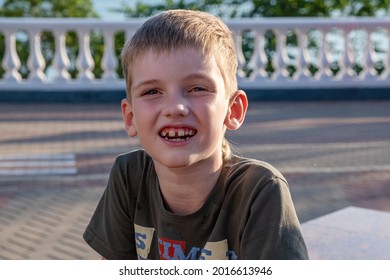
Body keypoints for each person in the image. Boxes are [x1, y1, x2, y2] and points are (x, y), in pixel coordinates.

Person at [83, 9, 309, 260]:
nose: (175, 108)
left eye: (197, 88)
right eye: (152, 92)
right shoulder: (129, 176)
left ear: (233, 109)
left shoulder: (259, 190)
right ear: (130, 117)